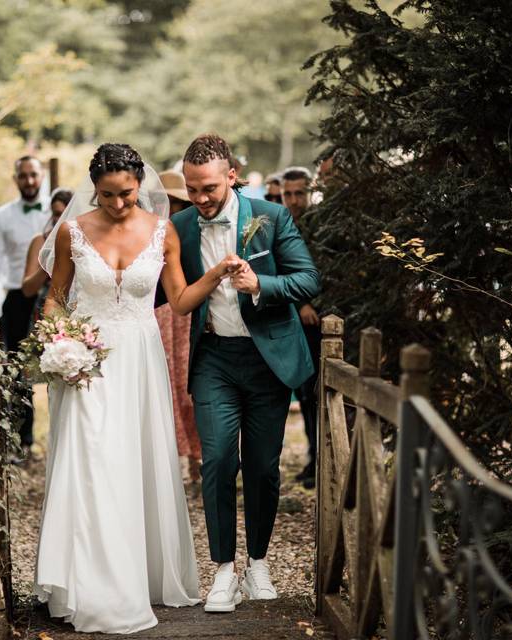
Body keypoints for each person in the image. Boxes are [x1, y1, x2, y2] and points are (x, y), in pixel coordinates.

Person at [34, 143, 245, 634]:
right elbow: (55, 300)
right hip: (85, 362)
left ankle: (139, 572)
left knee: (132, 460)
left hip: (140, 358)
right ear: (94, 190)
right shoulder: (72, 232)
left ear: (139, 185)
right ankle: (90, 583)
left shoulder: (162, 230)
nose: (119, 204)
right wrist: (59, 346)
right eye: (107, 196)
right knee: (91, 461)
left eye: (127, 194)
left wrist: (215, 274)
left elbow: (179, 299)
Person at [168, 134, 319, 612]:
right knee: (216, 462)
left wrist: (262, 284)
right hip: (213, 357)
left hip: (266, 360)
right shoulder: (181, 225)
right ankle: (224, 572)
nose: (201, 199)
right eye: (193, 189)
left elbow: (308, 278)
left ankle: (257, 563)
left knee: (262, 468)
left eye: (209, 188)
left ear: (232, 176)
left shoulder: (270, 218)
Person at [0, 156, 50, 455]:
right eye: (23, 176)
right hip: (17, 299)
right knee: (18, 371)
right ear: (16, 179)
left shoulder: (58, 208)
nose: (29, 181)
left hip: (55, 292)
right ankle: (23, 441)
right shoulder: (2, 217)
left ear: (42, 175)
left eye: (34, 175)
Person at [156, 170, 202, 489]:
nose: (173, 207)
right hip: (160, 314)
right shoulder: (149, 231)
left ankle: (200, 458)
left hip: (189, 312)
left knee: (190, 388)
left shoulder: (194, 228)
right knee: (168, 386)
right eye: (169, 201)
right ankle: (176, 459)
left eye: (178, 202)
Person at [281, 166, 322, 489]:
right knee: (305, 392)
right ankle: (314, 457)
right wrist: (299, 304)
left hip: (323, 320)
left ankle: (324, 458)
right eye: (288, 194)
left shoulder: (322, 226)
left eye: (299, 193)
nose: (294, 200)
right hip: (295, 319)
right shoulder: (279, 223)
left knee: (320, 392)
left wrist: (312, 305)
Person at [21, 187, 74, 319]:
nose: (60, 220)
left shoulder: (85, 241)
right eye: (56, 214)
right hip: (46, 309)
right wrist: (48, 260)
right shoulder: (40, 241)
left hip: (78, 310)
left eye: (65, 214)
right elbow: (27, 290)